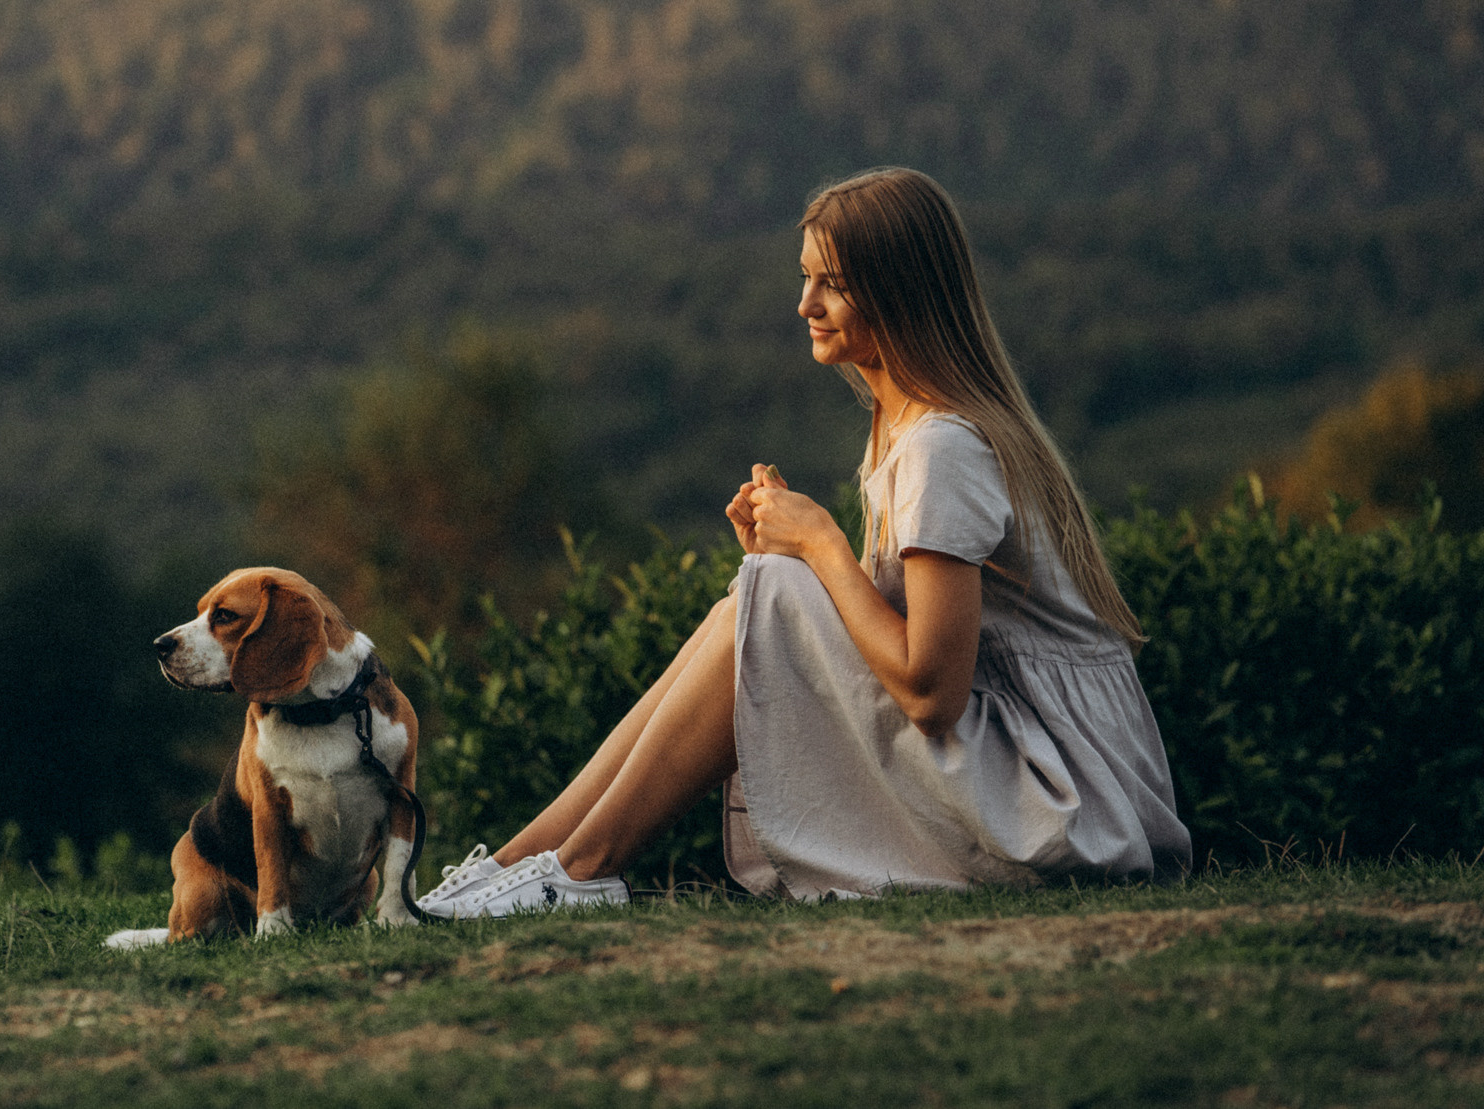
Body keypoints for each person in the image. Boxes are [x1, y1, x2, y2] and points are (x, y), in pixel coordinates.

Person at [418, 167, 1191, 916]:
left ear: (899, 292)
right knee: (753, 601)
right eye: (806, 278)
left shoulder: (942, 447)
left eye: (833, 284)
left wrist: (819, 545)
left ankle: (582, 870)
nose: (805, 304)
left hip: (1063, 807)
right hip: (1035, 777)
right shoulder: (906, 429)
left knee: (767, 597)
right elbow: (900, 638)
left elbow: (932, 692)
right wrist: (790, 558)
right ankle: (518, 866)